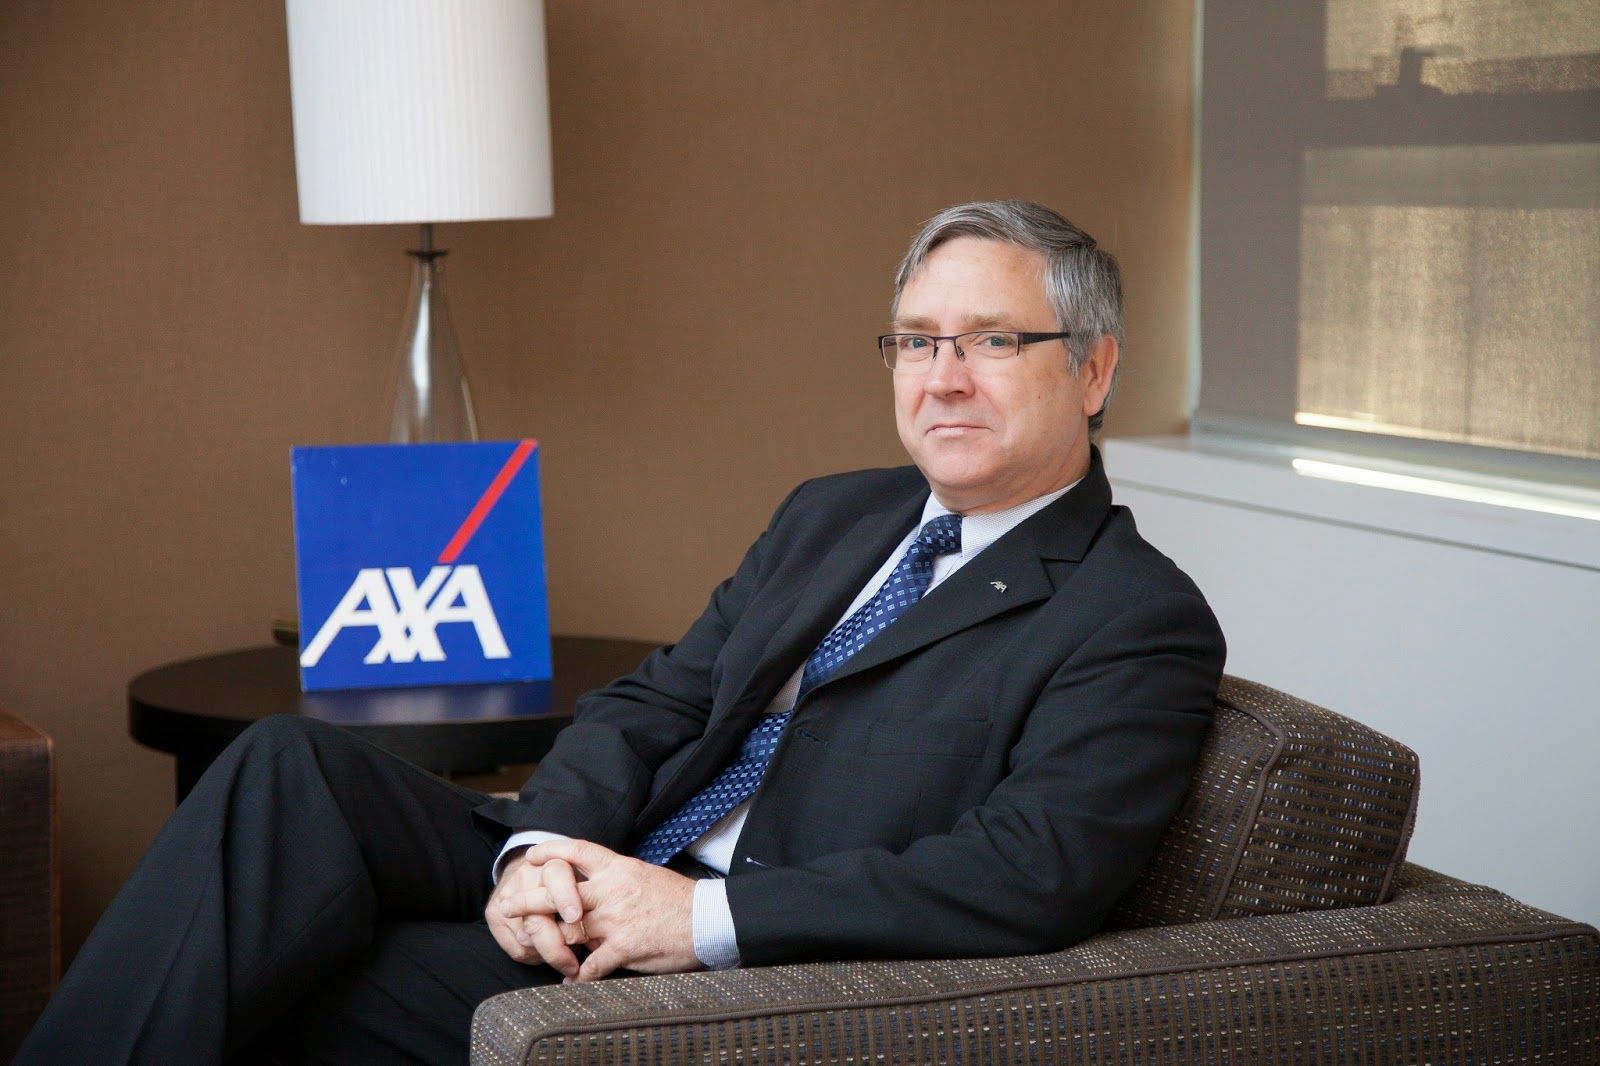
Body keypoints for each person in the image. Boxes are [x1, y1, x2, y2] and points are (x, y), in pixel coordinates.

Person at [19, 199, 1225, 1064]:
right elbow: (661, 698)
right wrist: (540, 852)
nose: (941, 376)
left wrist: (689, 918)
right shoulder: (836, 513)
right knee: (286, 766)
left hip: (735, 947)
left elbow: (1027, 874)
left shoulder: (1135, 615)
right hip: (605, 864)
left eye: (993, 340)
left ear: (1094, 370)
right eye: (916, 340)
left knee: (278, 963)